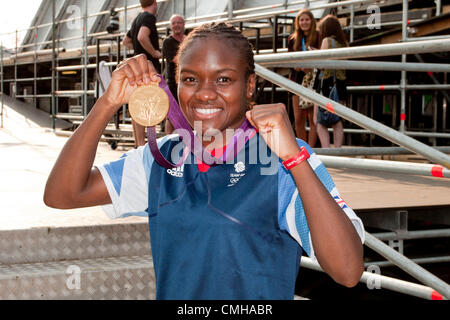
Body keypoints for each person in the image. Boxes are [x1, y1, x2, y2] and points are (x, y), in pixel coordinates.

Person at [44, 22, 364, 300]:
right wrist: (107, 103)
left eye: (223, 79)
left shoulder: (280, 160)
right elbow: (62, 194)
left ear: (250, 85)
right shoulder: (162, 158)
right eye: (191, 79)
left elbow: (348, 270)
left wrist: (295, 158)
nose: (205, 93)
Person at [122, 0, 161, 147]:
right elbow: (141, 36)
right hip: (148, 68)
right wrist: (154, 52)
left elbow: (126, 41)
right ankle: (150, 145)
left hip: (138, 67)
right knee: (150, 105)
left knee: (139, 106)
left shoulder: (137, 18)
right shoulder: (149, 17)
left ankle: (139, 144)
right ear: (155, 2)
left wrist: (138, 52)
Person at [287, 8, 320, 147]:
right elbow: (288, 60)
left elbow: (322, 57)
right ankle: (302, 149)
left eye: (307, 19)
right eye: (301, 20)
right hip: (297, 80)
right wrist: (297, 66)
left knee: (313, 119)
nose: (304, 22)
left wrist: (311, 66)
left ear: (312, 21)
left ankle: (311, 149)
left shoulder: (318, 36)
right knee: (299, 118)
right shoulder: (292, 39)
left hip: (313, 80)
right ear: (297, 22)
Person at [314, 15, 348, 148]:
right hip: (340, 84)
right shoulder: (343, 43)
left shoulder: (326, 41)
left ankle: (327, 151)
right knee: (337, 120)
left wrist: (313, 54)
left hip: (327, 84)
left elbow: (322, 64)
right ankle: (338, 150)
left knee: (320, 121)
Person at [161, 14, 186, 135]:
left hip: (187, 81)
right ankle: (169, 140)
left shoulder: (188, 39)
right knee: (172, 114)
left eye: (179, 22)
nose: (176, 25)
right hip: (173, 82)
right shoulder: (168, 42)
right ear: (171, 26)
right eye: (174, 23)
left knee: (185, 112)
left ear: (184, 24)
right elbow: (176, 59)